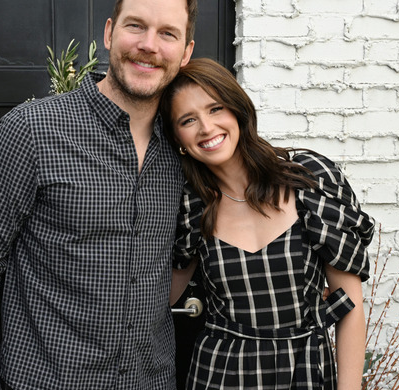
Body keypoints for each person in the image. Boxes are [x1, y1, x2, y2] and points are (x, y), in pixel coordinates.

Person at [0, 0, 196, 390]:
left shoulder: (182, 148)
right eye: (135, 26)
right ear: (109, 32)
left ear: (186, 52)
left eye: (168, 33)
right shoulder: (32, 131)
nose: (149, 45)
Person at [161, 58, 375, 389]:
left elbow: (351, 305)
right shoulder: (190, 206)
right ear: (177, 139)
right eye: (188, 120)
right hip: (219, 374)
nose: (206, 127)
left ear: (238, 110)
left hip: (305, 370)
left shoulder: (309, 179)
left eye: (215, 109)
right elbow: (159, 299)